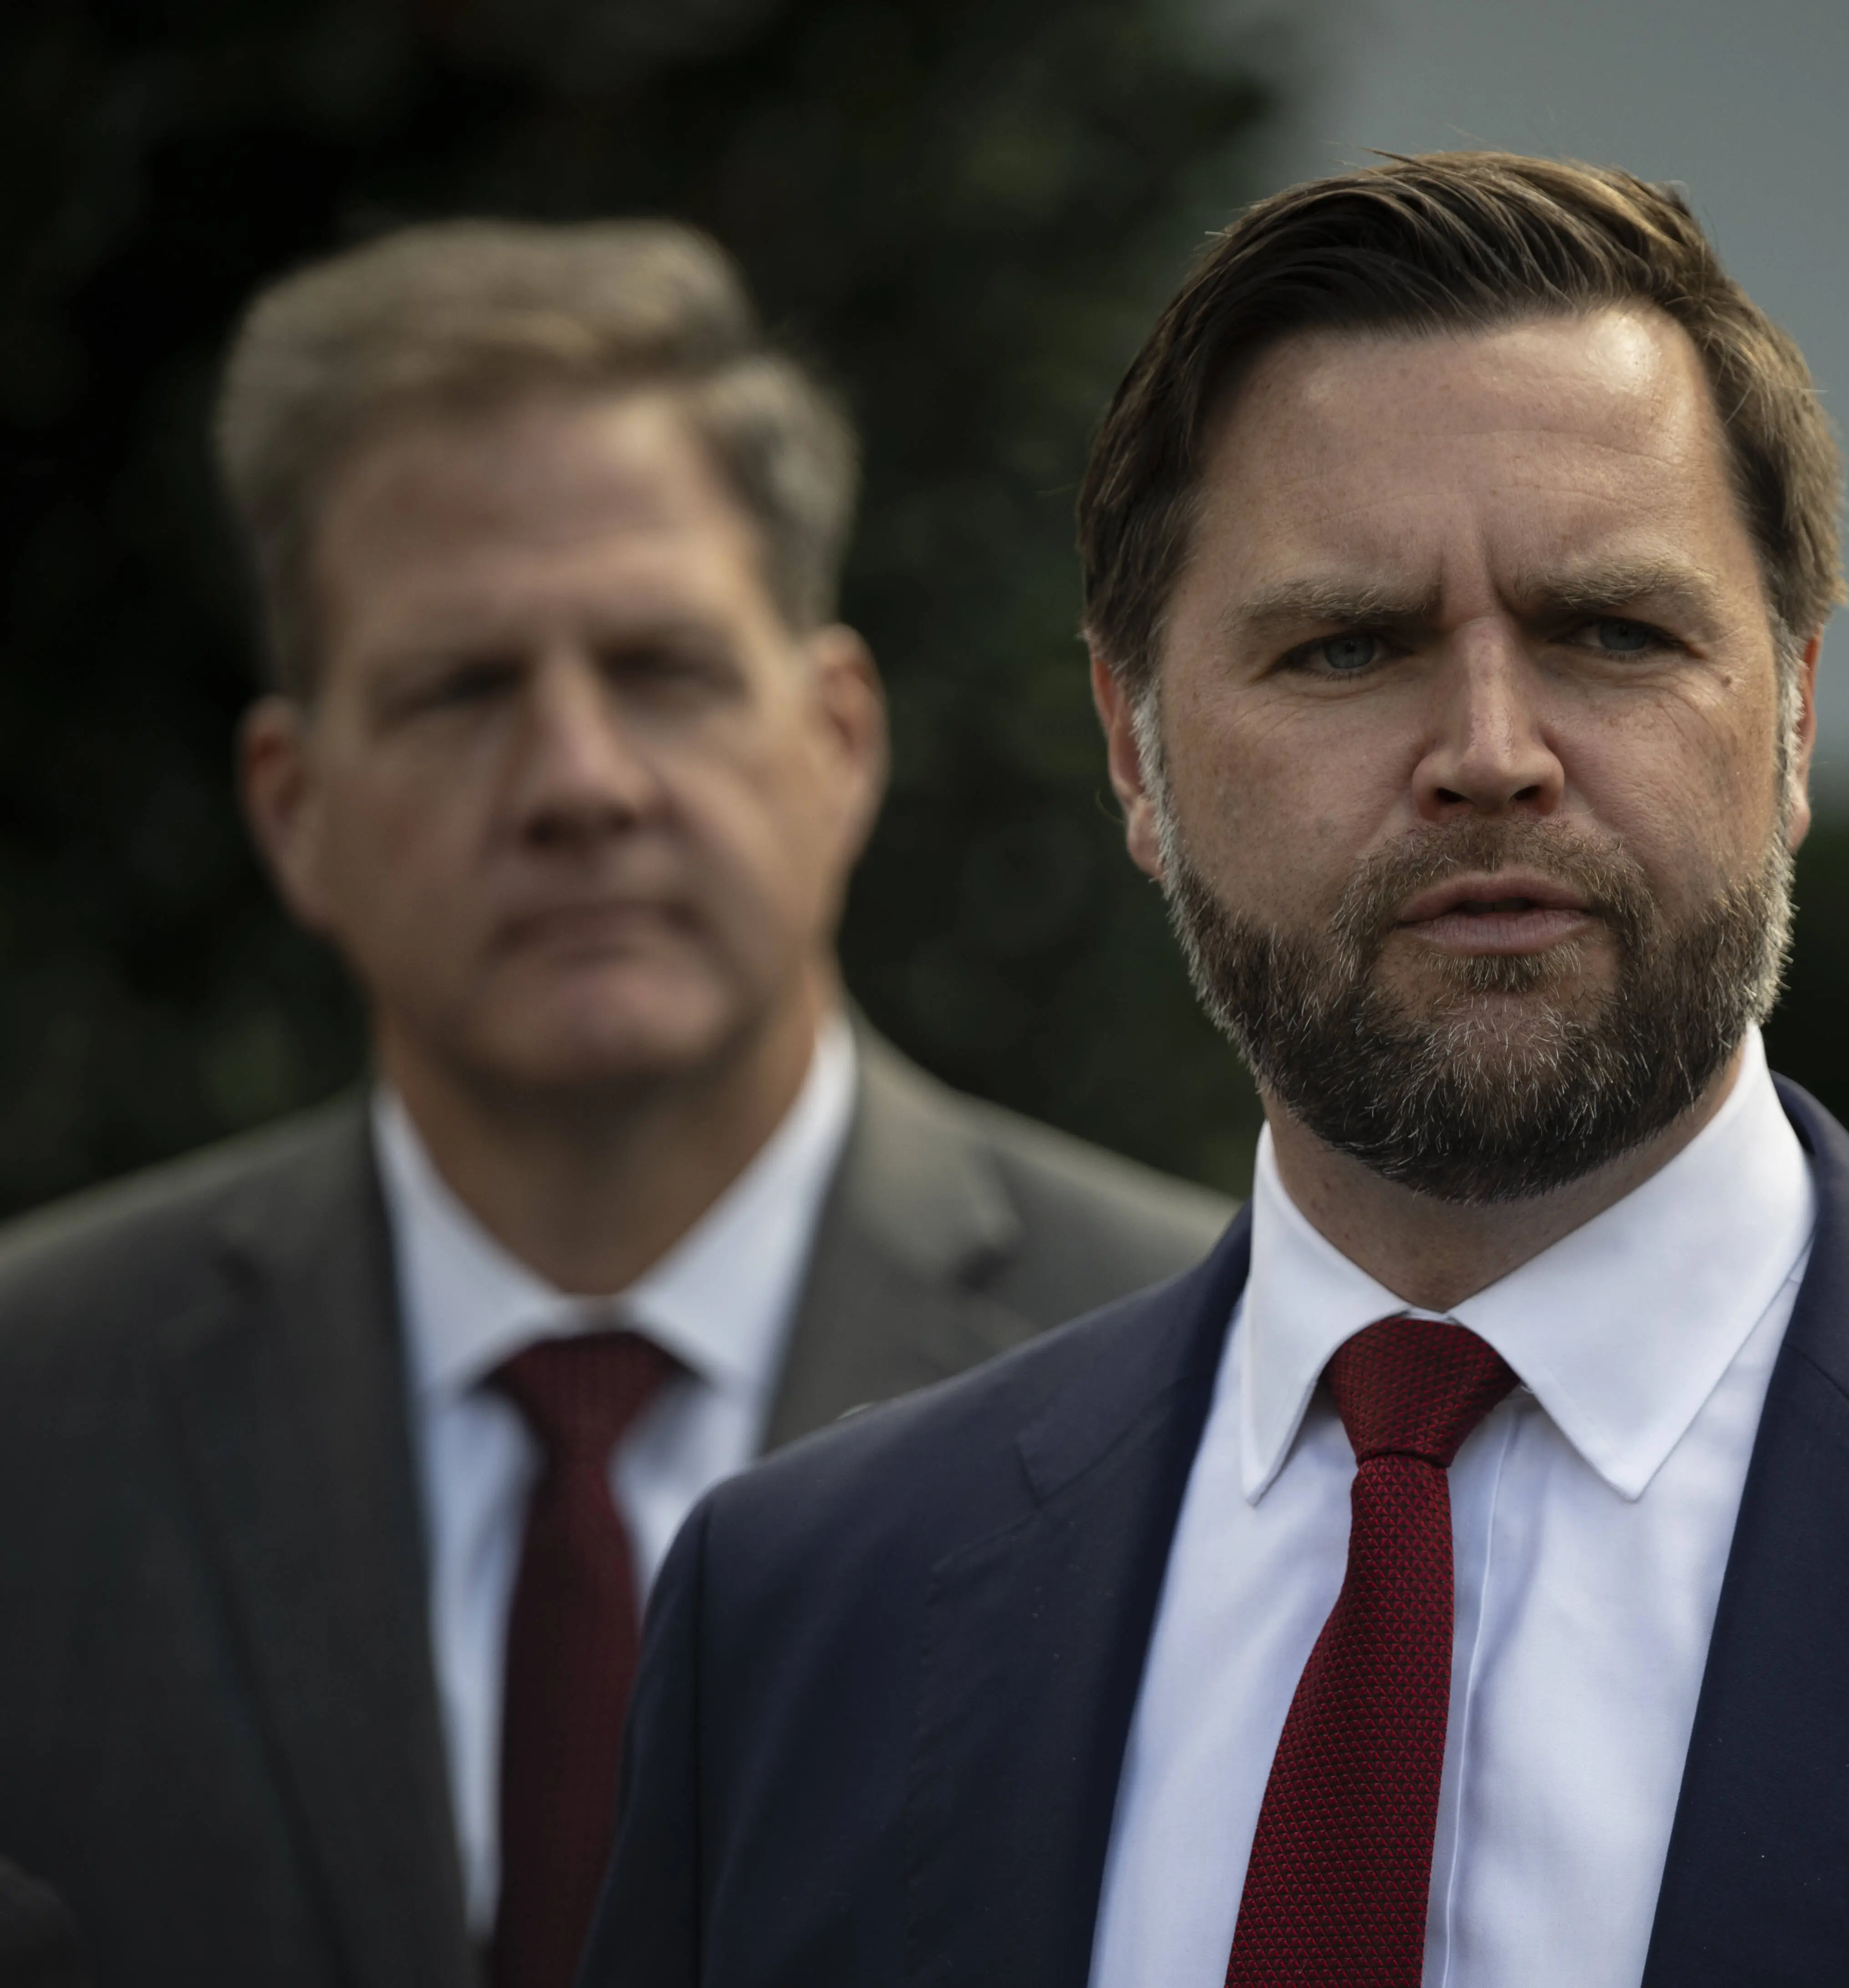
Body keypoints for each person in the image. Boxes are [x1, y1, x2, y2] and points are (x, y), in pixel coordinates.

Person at [581, 157, 1849, 1988]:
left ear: (1794, 714)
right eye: (1346, 646)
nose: (1490, 743)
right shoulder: (803, 1622)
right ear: (1133, 749)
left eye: (1605, 629)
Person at [0, 219, 1232, 1988]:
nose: (577, 781)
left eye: (660, 669)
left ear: (837, 740)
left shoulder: (1225, 1379)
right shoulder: (36, 1410)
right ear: (292, 807)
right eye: (460, 687)